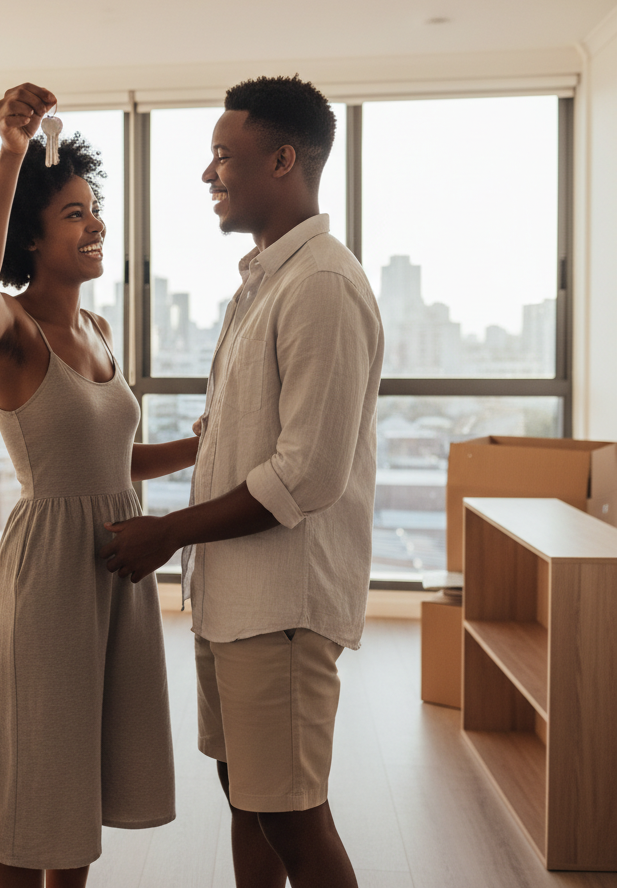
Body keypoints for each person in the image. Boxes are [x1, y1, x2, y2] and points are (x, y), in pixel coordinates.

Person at [102, 75, 384, 888]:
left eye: (225, 156)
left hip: (282, 608)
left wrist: (167, 533)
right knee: (245, 796)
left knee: (293, 817)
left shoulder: (322, 286)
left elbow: (307, 475)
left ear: (284, 160)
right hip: (234, 603)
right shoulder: (262, 280)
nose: (208, 174)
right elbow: (236, 438)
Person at [0, 83, 197, 888]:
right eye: (74, 214)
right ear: (30, 238)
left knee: (81, 776)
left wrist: (196, 449)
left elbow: (113, 463)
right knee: (37, 776)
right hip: (50, 574)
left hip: (117, 564)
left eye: (95, 209)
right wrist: (15, 152)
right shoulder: (13, 335)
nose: (97, 225)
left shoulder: (95, 330)